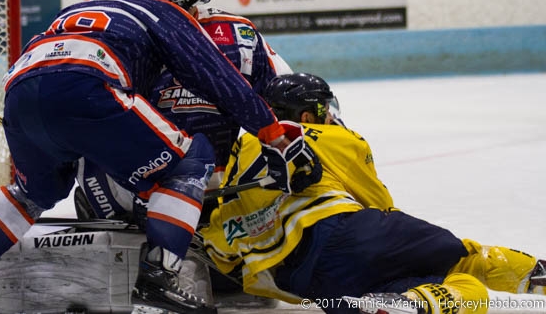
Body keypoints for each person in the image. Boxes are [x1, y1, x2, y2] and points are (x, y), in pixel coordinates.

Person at [0, 0, 319, 314]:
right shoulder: (156, 13)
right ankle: (160, 273)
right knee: (190, 159)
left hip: (21, 89)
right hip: (91, 84)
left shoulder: (68, 15)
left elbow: (48, 76)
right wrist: (272, 134)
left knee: (35, 190)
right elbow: (215, 76)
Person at [199, 73, 546, 314]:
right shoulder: (333, 138)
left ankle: (410, 304)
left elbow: (223, 252)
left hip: (306, 281)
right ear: (307, 115)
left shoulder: (237, 159)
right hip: (347, 233)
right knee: (466, 263)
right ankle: (538, 277)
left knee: (442, 286)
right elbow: (381, 206)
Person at [75, 0, 294, 223]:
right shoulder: (137, 35)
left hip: (226, 182)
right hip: (152, 181)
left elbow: (283, 93)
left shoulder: (237, 32)